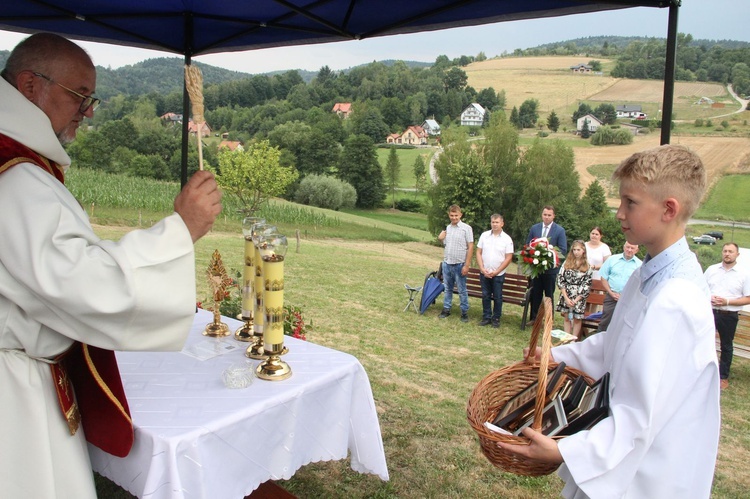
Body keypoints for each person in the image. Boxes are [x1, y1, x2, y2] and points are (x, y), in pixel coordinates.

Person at [0, 33, 222, 498]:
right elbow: (84, 283)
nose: (90, 111)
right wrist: (180, 230)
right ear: (29, 86)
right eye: (81, 95)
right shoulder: (14, 177)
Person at [500, 144, 720, 498]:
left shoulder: (676, 298)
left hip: (647, 473)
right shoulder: (649, 274)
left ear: (669, 209)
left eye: (629, 203)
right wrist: (558, 357)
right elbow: (614, 343)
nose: (619, 214)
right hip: (621, 450)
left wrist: (563, 451)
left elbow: (640, 415)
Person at [704, 242, 750, 390]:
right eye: (725, 251)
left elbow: (748, 298)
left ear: (737, 254)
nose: (727, 254)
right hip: (709, 312)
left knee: (726, 346)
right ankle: (702, 373)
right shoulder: (711, 270)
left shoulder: (744, 274)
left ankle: (722, 376)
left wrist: (727, 301)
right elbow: (700, 288)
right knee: (704, 343)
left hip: (728, 314)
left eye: (731, 251)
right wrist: (708, 297)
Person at [526, 205, 567, 320]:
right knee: (536, 294)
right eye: (545, 214)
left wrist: (550, 254)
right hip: (536, 269)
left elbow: (563, 250)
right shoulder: (535, 228)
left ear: (553, 216)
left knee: (549, 295)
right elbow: (528, 244)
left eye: (549, 215)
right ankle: (534, 318)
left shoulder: (559, 230)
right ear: (542, 215)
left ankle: (549, 320)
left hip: (550, 270)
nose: (547, 217)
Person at [476, 214, 514, 328]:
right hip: (485, 272)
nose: (494, 224)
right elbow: (478, 252)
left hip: (498, 274)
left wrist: (497, 271)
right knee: (485, 295)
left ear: (502, 223)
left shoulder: (507, 239)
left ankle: (496, 318)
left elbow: (508, 257)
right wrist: (482, 269)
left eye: (497, 222)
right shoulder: (484, 235)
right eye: (493, 222)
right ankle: (486, 317)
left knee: (497, 297)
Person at [438, 204, 474, 322]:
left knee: (462, 290)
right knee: (447, 288)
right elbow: (446, 244)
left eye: (456, 215)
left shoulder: (466, 228)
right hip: (447, 263)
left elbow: (470, 246)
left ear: (460, 215)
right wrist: (441, 238)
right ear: (449, 215)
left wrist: (467, 265)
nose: (454, 218)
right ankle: (446, 309)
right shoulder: (448, 228)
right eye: (452, 215)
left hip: (459, 264)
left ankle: (464, 312)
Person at [597, 242, 642, 333]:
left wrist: (625, 295)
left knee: (623, 324)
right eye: (627, 247)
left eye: (632, 248)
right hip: (611, 296)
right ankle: (600, 343)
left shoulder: (640, 265)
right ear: (623, 247)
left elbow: (640, 284)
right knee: (605, 322)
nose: (629, 250)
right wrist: (611, 292)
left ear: (636, 250)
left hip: (628, 299)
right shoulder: (612, 259)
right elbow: (604, 277)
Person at [555, 240, 593, 339]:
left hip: (579, 297)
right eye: (574, 250)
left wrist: (576, 300)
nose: (576, 252)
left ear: (583, 250)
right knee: (567, 317)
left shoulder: (587, 266)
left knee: (577, 319)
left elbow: (586, 284)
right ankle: (566, 338)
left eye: (578, 250)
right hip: (566, 293)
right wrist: (566, 298)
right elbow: (560, 279)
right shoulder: (567, 263)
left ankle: (573, 339)